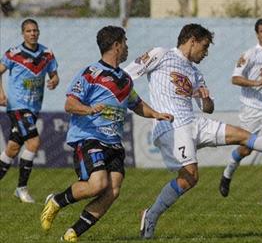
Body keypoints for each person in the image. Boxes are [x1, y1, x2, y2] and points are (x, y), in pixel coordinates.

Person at [124, 23, 262, 239]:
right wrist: (141, 108)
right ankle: (150, 215)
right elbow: (125, 77)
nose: (206, 53)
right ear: (192, 40)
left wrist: (205, 98)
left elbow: (208, 109)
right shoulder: (160, 54)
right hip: (171, 125)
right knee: (190, 177)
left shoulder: (195, 72)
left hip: (194, 122)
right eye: (204, 47)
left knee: (244, 137)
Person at [40, 25, 173, 242]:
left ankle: (72, 234)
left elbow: (136, 104)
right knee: (98, 184)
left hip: (114, 143)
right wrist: (89, 109)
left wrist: (156, 114)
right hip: (90, 137)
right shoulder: (91, 73)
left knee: (113, 190)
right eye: (125, 42)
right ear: (116, 45)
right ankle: (56, 201)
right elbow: (70, 104)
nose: (128, 47)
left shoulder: (125, 79)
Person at [219, 17, 262, 201]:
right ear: (257, 33)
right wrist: (259, 82)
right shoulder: (250, 54)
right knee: (246, 150)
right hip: (251, 110)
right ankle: (227, 174)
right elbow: (235, 79)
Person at [0, 18, 59, 203]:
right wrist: (1, 94)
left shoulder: (47, 54)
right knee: (33, 143)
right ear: (23, 34)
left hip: (34, 107)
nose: (32, 33)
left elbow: (54, 75)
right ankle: (21, 188)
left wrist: (54, 81)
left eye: (35, 30)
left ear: (38, 32)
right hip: (17, 106)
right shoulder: (13, 54)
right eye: (28, 31)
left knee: (12, 148)